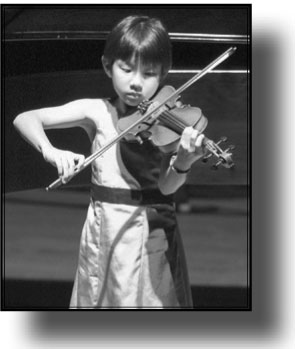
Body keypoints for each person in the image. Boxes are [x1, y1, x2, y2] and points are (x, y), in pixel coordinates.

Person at [13, 15, 205, 308]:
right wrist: (51, 151)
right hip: (104, 229)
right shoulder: (96, 111)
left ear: (163, 74)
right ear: (107, 66)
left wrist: (183, 162)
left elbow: (167, 189)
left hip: (151, 231)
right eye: (126, 69)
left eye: (149, 73)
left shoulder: (169, 122)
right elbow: (25, 118)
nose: (136, 83)